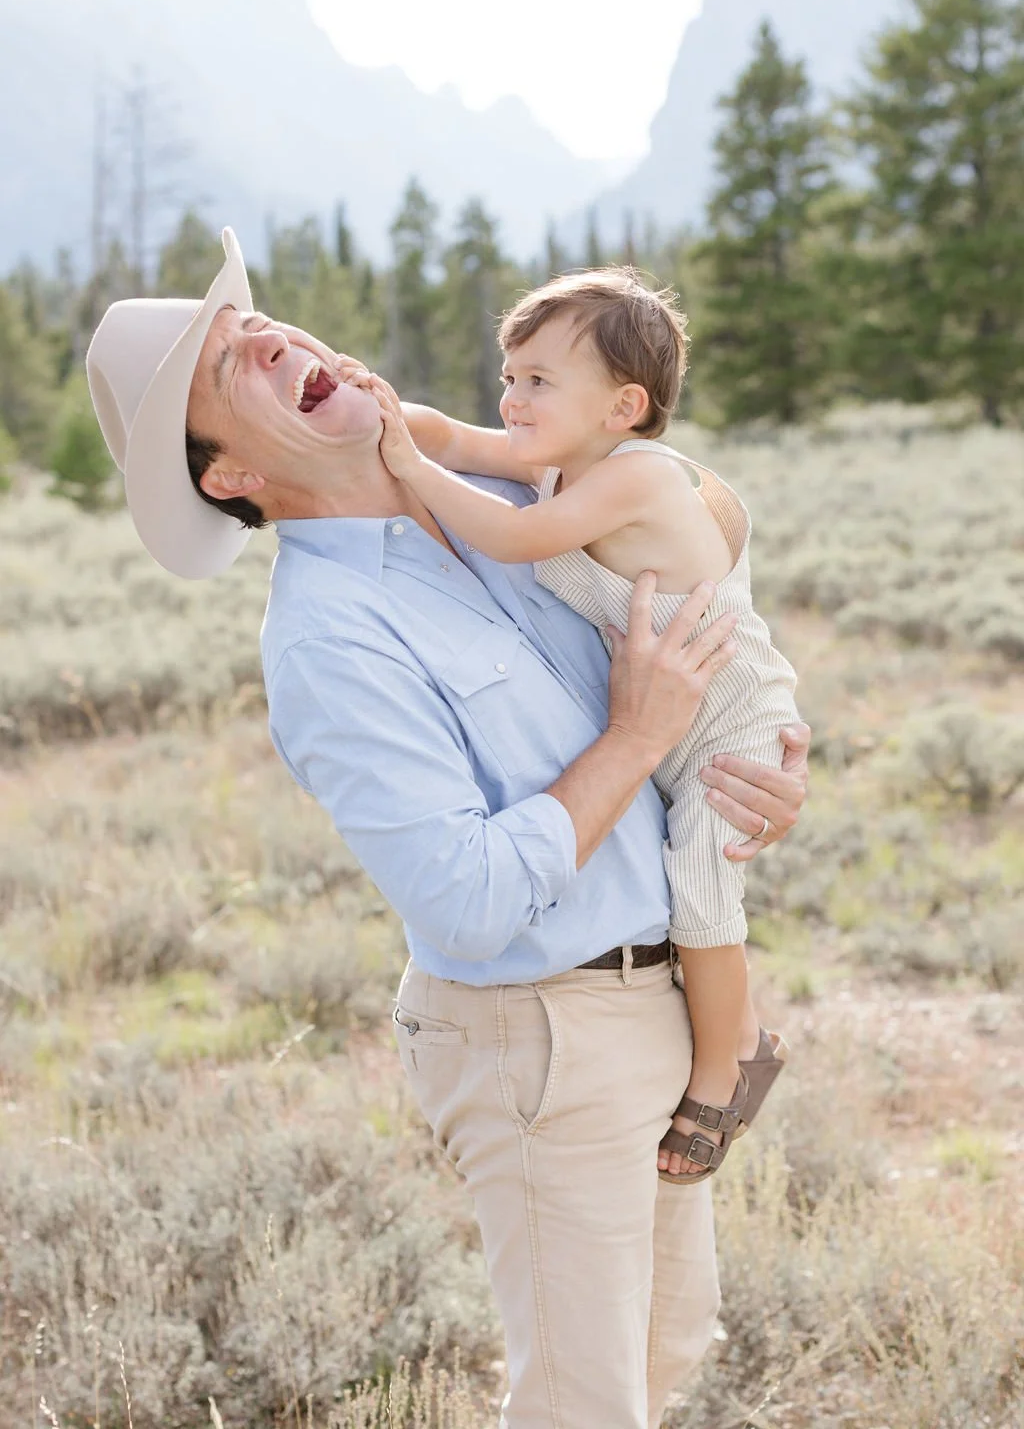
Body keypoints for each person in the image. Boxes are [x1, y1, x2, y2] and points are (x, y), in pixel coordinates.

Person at [85, 229, 810, 1429]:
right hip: (540, 1039)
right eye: (232, 365)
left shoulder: (523, 500)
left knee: (663, 1355)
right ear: (227, 478)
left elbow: (697, 583)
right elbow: (465, 898)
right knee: (585, 1408)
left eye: (260, 323)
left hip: (657, 1002)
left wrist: (753, 771)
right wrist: (635, 737)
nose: (270, 335)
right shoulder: (330, 637)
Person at [370, 268, 796, 1184]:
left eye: (538, 381)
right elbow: (453, 434)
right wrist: (376, 410)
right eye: (509, 373)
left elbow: (519, 537)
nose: (512, 397)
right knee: (684, 874)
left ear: (624, 405)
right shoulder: (566, 457)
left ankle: (732, 1061)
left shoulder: (632, 477)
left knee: (702, 894)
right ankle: (711, 1037)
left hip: (725, 719)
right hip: (664, 715)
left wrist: (411, 473)